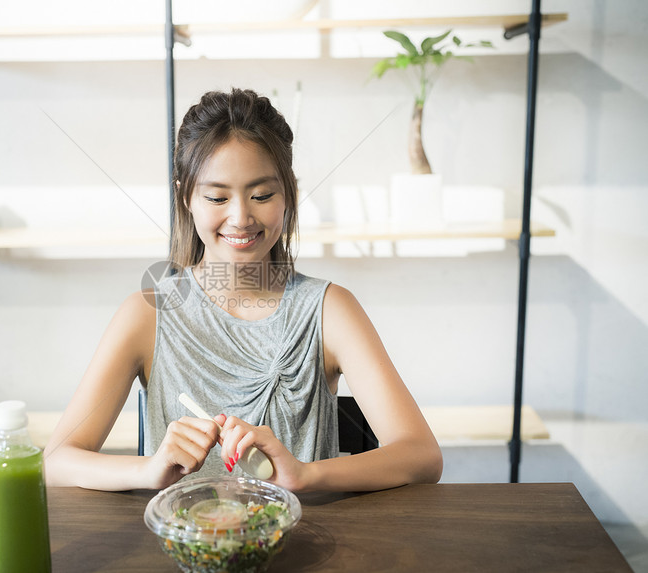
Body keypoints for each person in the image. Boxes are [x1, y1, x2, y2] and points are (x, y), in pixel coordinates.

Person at [44, 88, 442, 492]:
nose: (240, 217)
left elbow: (421, 455)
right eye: (217, 196)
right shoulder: (149, 312)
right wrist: (148, 471)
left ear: (289, 194)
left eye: (262, 195)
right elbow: (56, 461)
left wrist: (307, 475)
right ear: (186, 197)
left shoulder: (330, 310)